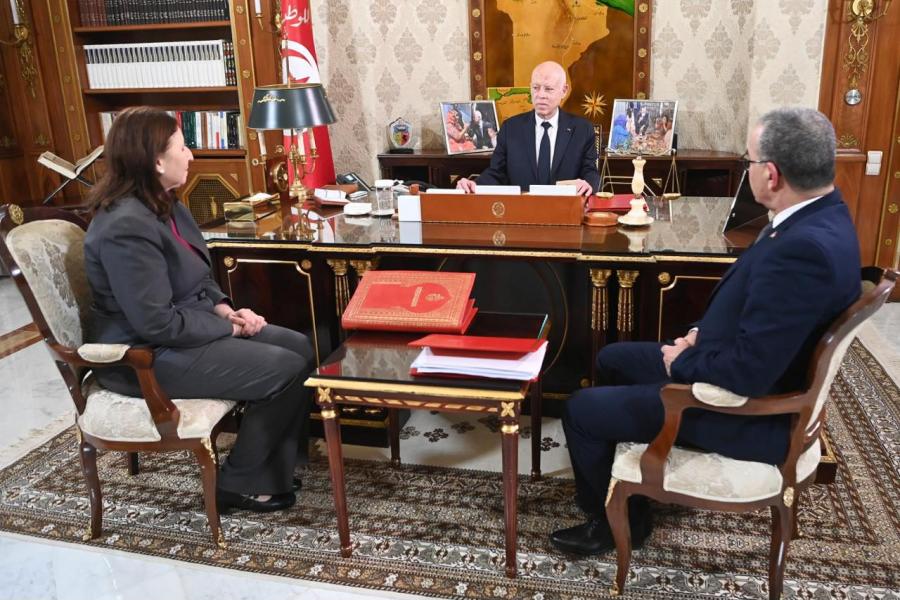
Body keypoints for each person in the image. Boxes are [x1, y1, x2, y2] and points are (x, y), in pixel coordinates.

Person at [549, 107, 861, 556]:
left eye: (749, 161)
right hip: (737, 363)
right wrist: (698, 333)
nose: (748, 169)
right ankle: (632, 491)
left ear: (771, 175)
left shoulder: (804, 250)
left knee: (581, 410)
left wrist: (685, 361)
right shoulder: (817, 216)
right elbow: (763, 318)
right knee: (611, 358)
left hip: (751, 414)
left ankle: (612, 524)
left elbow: (749, 372)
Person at [83, 107, 316, 514]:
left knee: (299, 346)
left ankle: (269, 469)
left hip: (181, 332)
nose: (191, 155)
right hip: (143, 357)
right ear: (157, 160)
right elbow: (157, 323)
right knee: (285, 368)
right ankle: (238, 483)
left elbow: (197, 275)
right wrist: (230, 330)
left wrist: (226, 311)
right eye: (182, 146)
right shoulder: (125, 227)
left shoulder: (165, 203)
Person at [456, 61, 599, 197]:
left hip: (566, 209)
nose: (541, 95)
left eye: (548, 89)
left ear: (564, 90)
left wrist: (588, 184)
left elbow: (590, 171)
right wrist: (474, 184)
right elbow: (497, 173)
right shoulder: (511, 128)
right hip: (521, 209)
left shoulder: (582, 130)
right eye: (536, 88)